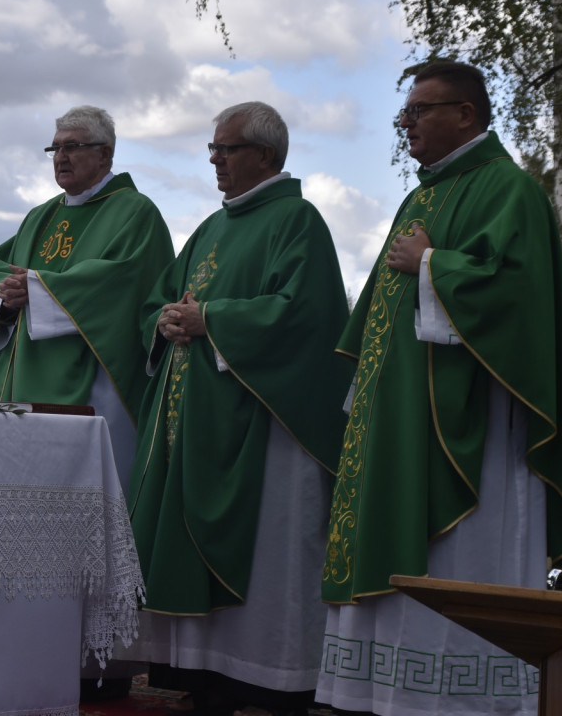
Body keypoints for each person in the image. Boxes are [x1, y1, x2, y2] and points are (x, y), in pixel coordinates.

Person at [316, 61, 562, 716]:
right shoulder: (421, 194)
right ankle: (381, 694)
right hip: (398, 415)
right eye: (405, 113)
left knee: (456, 558)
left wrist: (432, 264)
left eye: (420, 111)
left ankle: (462, 700)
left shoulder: (509, 190)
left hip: (472, 425)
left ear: (466, 114)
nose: (406, 125)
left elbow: (520, 298)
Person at [127, 101, 352, 716]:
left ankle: (272, 676)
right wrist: (167, 319)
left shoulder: (296, 220)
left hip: (264, 423)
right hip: (197, 416)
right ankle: (205, 673)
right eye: (212, 148)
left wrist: (213, 320)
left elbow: (305, 315)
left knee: (272, 550)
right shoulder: (212, 226)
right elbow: (162, 299)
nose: (214, 159)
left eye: (226, 149)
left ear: (267, 156)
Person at [0, 105, 173, 492]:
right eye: (55, 149)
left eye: (72, 147)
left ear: (105, 154)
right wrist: (8, 295)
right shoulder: (41, 215)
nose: (60, 157)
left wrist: (38, 288)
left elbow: (121, 281)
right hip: (27, 373)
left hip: (94, 378)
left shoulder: (135, 211)